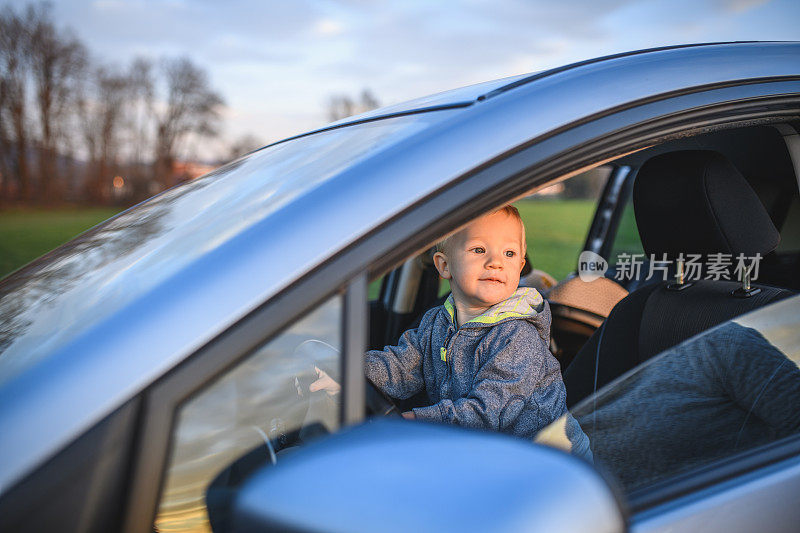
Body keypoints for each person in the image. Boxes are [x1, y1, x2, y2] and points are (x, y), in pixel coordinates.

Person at [312, 206, 589, 456]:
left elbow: (489, 414)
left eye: (510, 253)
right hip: (486, 451)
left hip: (547, 462)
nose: (496, 262)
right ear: (444, 266)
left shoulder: (517, 336)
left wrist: (412, 422)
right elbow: (399, 366)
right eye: (479, 250)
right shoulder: (438, 321)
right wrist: (348, 374)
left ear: (519, 265)